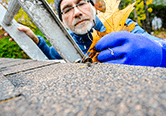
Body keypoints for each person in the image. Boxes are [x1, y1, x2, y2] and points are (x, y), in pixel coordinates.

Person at [1, 0, 166, 67]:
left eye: (81, 3)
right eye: (67, 9)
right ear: (63, 21)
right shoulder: (68, 41)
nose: (77, 12)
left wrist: (158, 52)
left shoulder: (122, 26)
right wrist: (35, 38)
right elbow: (52, 54)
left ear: (93, 7)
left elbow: (159, 45)